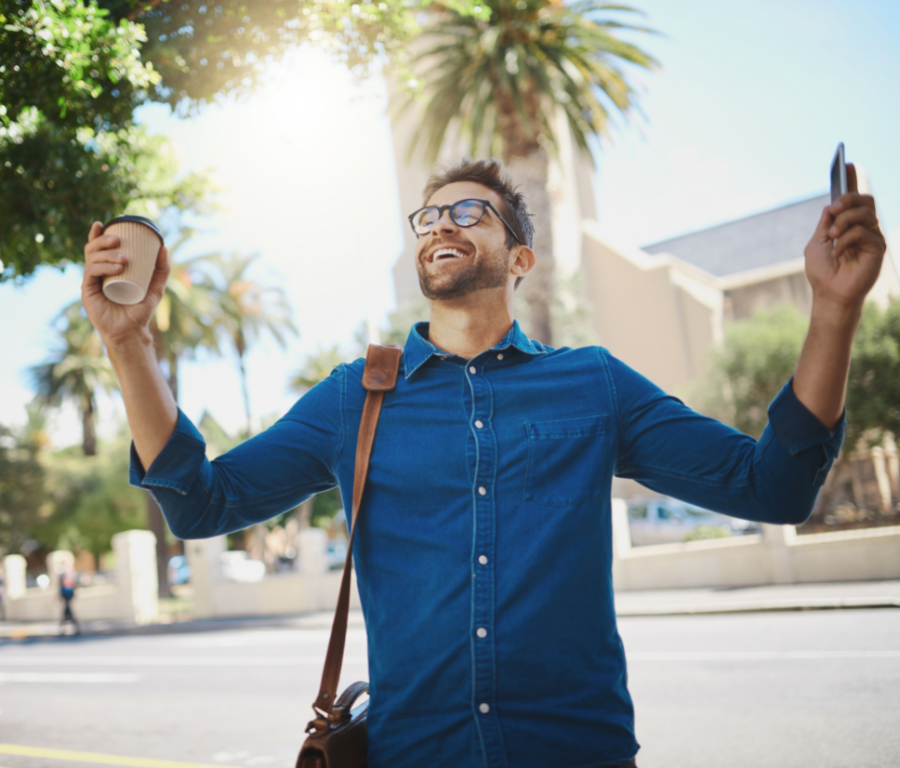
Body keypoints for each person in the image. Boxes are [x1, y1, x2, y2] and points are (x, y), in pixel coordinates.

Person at [82, 158, 885, 768]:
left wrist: (837, 309)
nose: (440, 225)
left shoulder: (594, 385)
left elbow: (771, 485)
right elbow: (199, 504)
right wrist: (128, 345)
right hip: (413, 753)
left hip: (578, 751)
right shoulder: (351, 399)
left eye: (470, 211)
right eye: (427, 216)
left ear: (520, 256)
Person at [58, 567, 79, 635]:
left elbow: (73, 585)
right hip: (66, 595)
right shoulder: (63, 576)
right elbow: (61, 587)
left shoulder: (69, 575)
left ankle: (64, 628)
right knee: (67, 612)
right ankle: (65, 628)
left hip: (69, 595)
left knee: (67, 612)